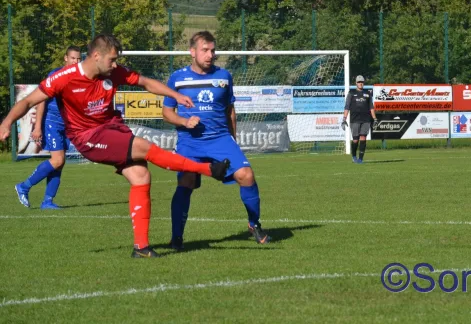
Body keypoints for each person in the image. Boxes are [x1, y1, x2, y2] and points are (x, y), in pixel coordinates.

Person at [0, 34, 230, 258]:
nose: (115, 64)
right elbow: (29, 100)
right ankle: (208, 170)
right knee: (144, 146)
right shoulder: (64, 77)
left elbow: (145, 82)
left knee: (141, 177)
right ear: (96, 56)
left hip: (113, 128)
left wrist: (175, 95)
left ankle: (141, 247)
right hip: (87, 136)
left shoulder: (113, 72)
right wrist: (7, 122)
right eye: (112, 59)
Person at [162, 31, 270, 251]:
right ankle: (176, 237)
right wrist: (184, 122)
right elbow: (166, 113)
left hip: (220, 138)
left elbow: (230, 110)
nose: (210, 55)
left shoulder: (224, 76)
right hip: (189, 142)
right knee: (186, 183)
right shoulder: (178, 78)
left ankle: (254, 224)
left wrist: (233, 139)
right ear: (192, 52)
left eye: (212, 50)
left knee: (246, 175)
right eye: (205, 50)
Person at [15, 46, 82, 209]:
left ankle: (47, 202)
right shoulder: (56, 75)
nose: (76, 62)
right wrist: (37, 127)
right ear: (65, 58)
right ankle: (24, 186)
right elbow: (41, 101)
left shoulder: (80, 77)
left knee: (60, 162)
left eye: (79, 59)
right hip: (52, 121)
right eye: (73, 58)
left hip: (66, 124)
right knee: (57, 160)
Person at [341, 75, 377, 163]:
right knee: (355, 139)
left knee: (363, 138)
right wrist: (344, 119)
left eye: (362, 82)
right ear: (356, 83)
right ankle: (354, 156)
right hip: (355, 120)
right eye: (359, 82)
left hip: (366, 119)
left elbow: (371, 107)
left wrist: (375, 118)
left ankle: (360, 159)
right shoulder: (351, 93)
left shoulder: (368, 93)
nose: (360, 84)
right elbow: (347, 107)